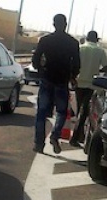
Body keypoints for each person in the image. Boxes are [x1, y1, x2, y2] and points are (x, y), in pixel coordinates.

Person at [31, 13, 80, 154]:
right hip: (62, 80)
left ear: (54, 24)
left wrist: (41, 70)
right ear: (65, 25)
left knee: (41, 113)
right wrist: (72, 76)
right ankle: (55, 135)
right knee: (61, 112)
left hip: (47, 78)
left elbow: (36, 59)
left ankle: (39, 144)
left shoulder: (45, 40)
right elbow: (76, 64)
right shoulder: (72, 43)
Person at [69, 30, 107, 147]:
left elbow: (73, 63)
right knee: (84, 112)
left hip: (79, 83)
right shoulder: (100, 51)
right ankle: (76, 137)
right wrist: (97, 70)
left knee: (81, 111)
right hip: (92, 85)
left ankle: (79, 135)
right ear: (97, 39)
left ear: (86, 38)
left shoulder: (80, 48)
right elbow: (106, 67)